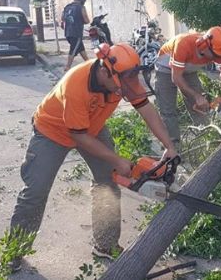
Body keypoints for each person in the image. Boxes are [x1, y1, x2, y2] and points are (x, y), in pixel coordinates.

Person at [9, 42, 177, 270]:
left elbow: (147, 110)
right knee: (35, 191)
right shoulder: (76, 83)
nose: (126, 88)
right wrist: (117, 160)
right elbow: (78, 137)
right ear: (105, 70)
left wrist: (168, 145)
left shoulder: (125, 79)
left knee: (107, 180)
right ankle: (14, 251)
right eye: (122, 82)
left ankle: (105, 244)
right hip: (52, 131)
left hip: (92, 126)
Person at [154, 26, 221, 147]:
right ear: (204, 45)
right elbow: (176, 78)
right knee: (168, 110)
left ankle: (208, 139)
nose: (217, 58)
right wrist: (196, 95)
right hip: (166, 69)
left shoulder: (218, 50)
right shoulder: (183, 43)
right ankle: (173, 148)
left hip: (188, 69)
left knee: (200, 106)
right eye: (214, 54)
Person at [61, 0, 91, 72]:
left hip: (67, 33)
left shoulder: (67, 7)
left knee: (81, 48)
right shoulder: (81, 7)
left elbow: (62, 19)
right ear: (83, 0)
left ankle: (89, 64)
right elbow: (86, 20)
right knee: (73, 50)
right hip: (76, 33)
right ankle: (67, 67)